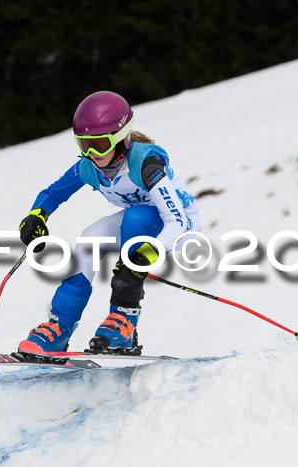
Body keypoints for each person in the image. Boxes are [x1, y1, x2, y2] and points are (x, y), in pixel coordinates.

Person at [18, 90, 200, 353]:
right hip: (140, 221)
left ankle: (124, 321)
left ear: (120, 138)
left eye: (100, 144)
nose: (93, 153)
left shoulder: (145, 163)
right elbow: (53, 193)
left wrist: (145, 255)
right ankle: (60, 326)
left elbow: (177, 222)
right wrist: (36, 216)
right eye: (84, 145)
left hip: (180, 224)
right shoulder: (90, 167)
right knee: (90, 237)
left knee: (136, 219)